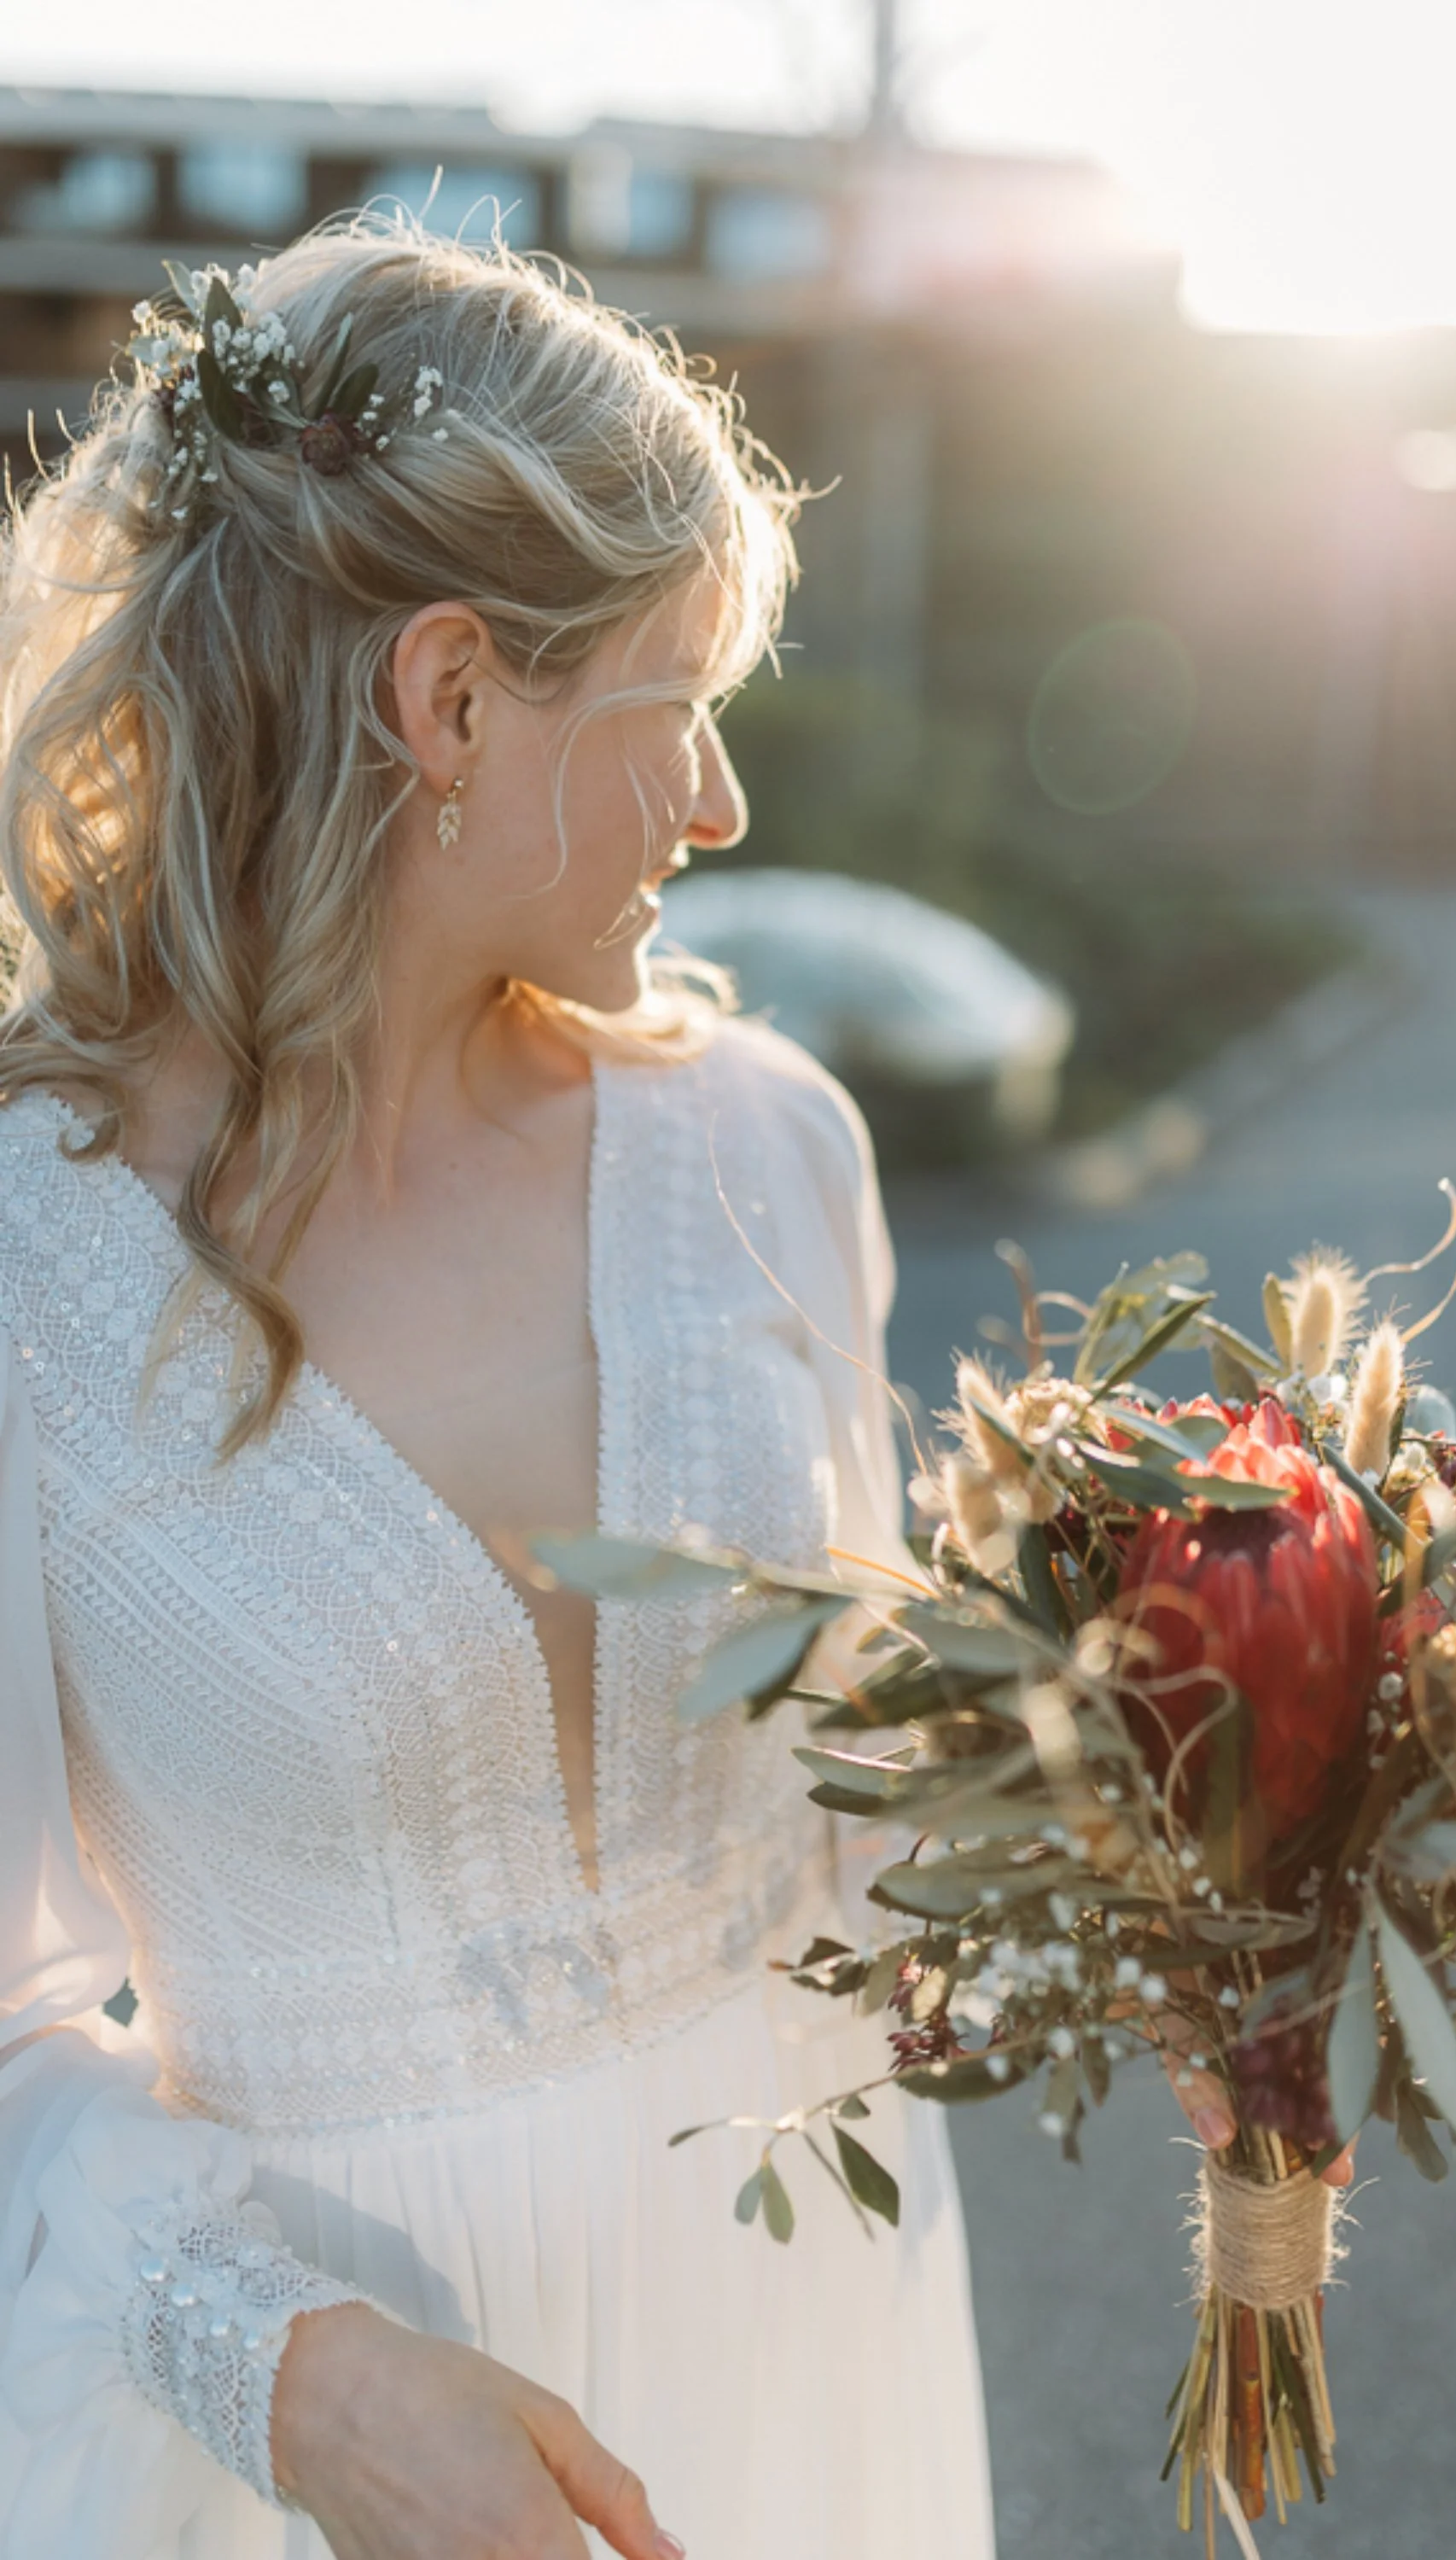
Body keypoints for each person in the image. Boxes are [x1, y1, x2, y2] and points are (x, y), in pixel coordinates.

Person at [0, 219, 997, 2560]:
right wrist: (303, 2378)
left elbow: (883, 1833)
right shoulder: (21, 1257)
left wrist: (1165, 1832)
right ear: (453, 702)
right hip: (334, 2452)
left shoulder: (766, 1148)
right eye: (680, 696)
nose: (728, 801)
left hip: (816, 2317)